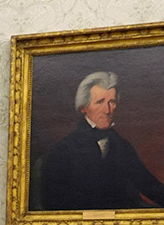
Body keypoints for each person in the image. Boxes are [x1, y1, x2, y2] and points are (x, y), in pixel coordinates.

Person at [39, 71, 164, 210]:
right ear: (83, 107)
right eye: (100, 102)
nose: (107, 110)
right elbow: (54, 204)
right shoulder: (63, 151)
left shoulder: (122, 146)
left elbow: (148, 184)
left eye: (112, 102)